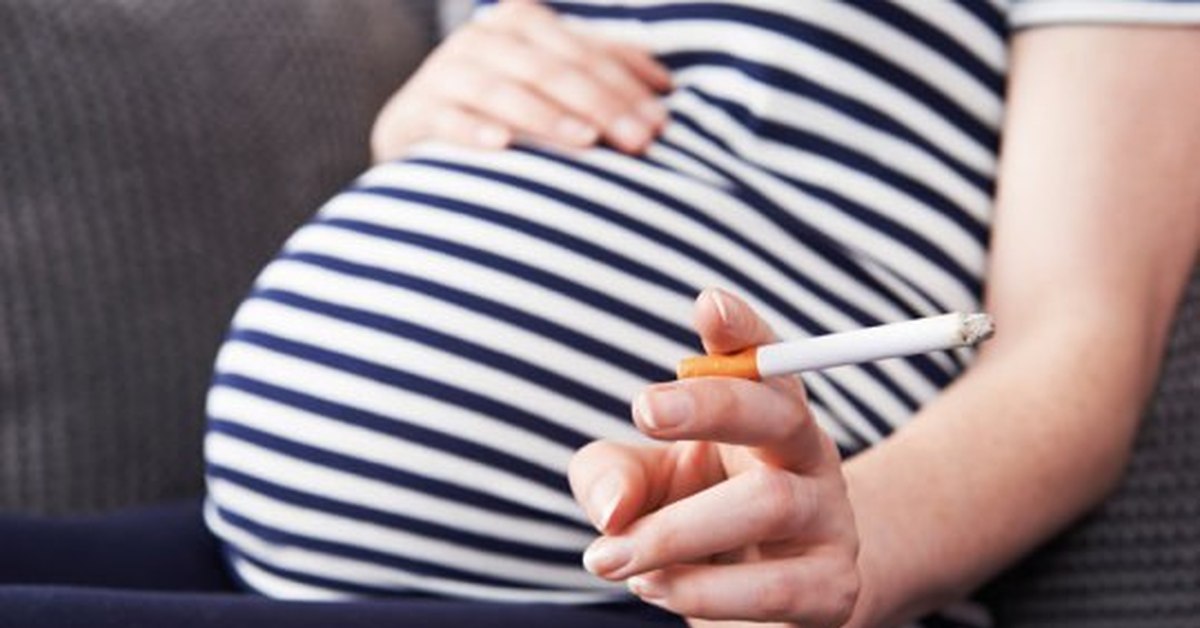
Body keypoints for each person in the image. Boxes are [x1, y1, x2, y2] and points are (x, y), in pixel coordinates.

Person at [203, 1, 1200, 627]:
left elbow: (1075, 355)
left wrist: (837, 554)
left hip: (706, 601)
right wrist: (417, 131)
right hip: (251, 557)